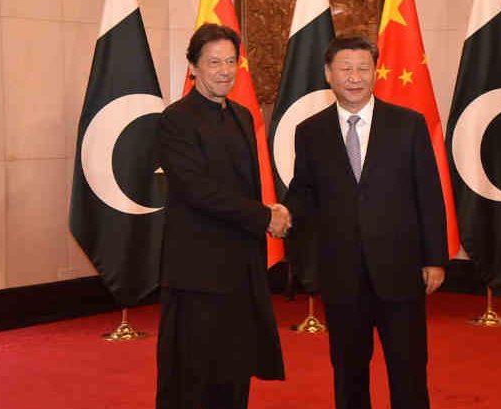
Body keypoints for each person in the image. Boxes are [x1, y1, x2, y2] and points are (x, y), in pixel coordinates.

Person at [284, 35, 447, 409]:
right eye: (345, 69)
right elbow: (304, 190)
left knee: (408, 371)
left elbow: (429, 194)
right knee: (348, 371)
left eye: (362, 68)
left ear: (375, 73)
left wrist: (435, 257)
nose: (354, 77)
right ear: (328, 74)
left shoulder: (408, 125)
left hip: (400, 271)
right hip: (342, 275)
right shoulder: (310, 132)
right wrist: (281, 213)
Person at [156, 23, 289, 409]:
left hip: (241, 269)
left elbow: (245, 187)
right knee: (193, 376)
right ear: (193, 68)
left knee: (234, 371)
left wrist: (268, 211)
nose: (224, 71)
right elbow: (196, 190)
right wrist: (263, 216)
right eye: (213, 62)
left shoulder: (243, 116)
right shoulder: (175, 119)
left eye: (231, 61)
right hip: (197, 272)